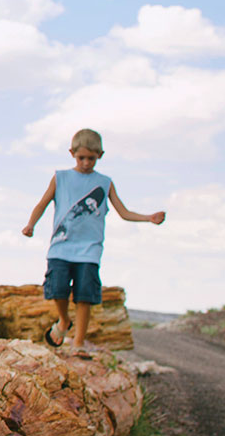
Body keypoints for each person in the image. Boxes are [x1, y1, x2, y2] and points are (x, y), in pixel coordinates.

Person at [21, 128, 166, 349]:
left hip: (89, 250)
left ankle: (78, 343)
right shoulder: (61, 177)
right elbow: (42, 204)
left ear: (101, 155)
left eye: (92, 158)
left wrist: (149, 218)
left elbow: (123, 212)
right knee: (57, 289)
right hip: (61, 247)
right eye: (82, 158)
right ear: (71, 153)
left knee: (84, 297)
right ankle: (64, 320)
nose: (87, 163)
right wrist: (31, 224)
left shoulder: (105, 182)